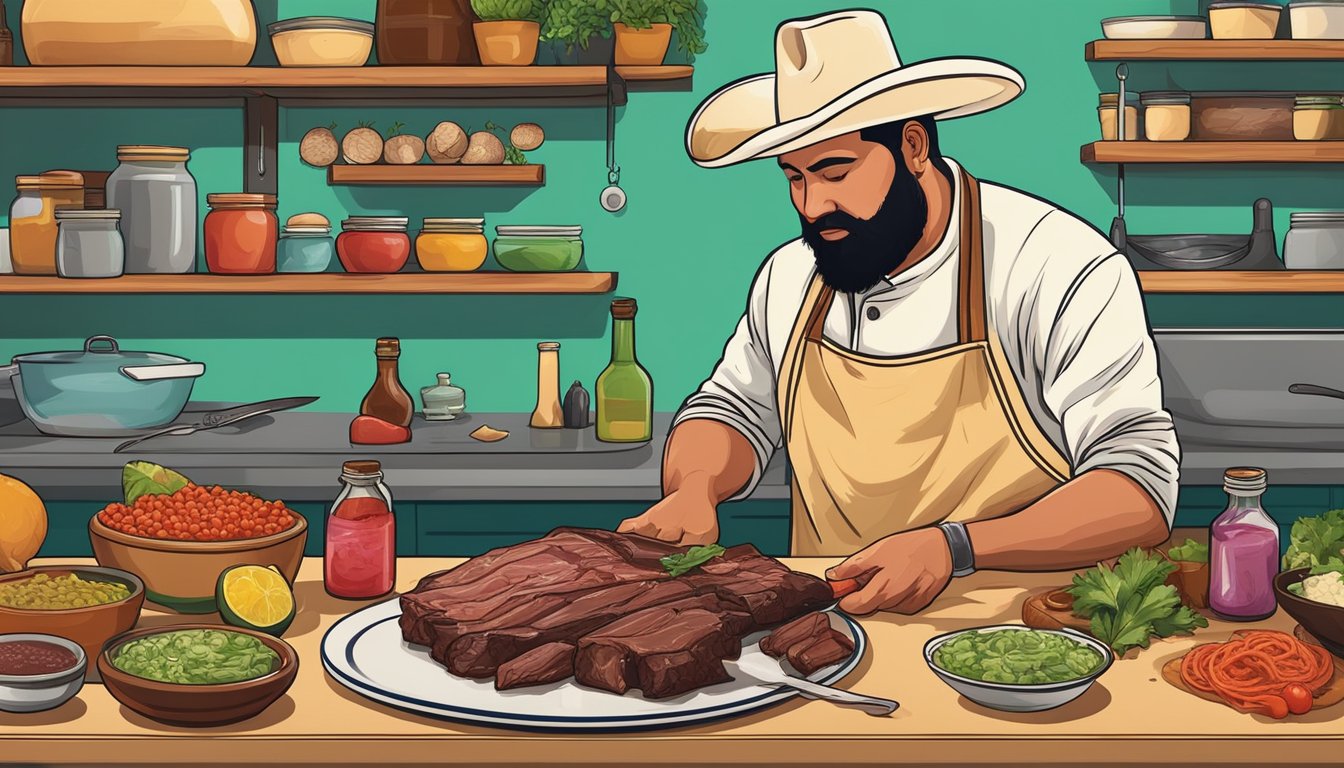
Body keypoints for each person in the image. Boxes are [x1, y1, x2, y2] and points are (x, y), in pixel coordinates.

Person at [618, 9, 1180, 615]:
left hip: (1014, 643)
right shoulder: (791, 276)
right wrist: (695, 488)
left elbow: (1137, 491)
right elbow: (733, 410)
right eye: (795, 177)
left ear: (913, 144)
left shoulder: (1053, 264)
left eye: (836, 170)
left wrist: (955, 547)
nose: (814, 205)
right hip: (828, 630)